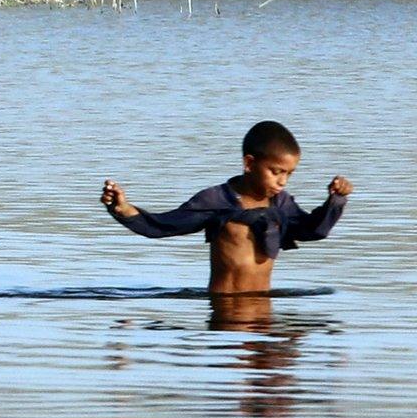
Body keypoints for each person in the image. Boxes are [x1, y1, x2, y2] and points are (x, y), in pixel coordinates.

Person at [101, 120, 353, 294]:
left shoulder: (281, 203)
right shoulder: (216, 200)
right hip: (226, 312)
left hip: (263, 313)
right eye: (275, 172)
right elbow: (162, 226)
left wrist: (335, 201)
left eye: (289, 173)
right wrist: (122, 208)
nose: (282, 181)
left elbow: (312, 230)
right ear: (249, 163)